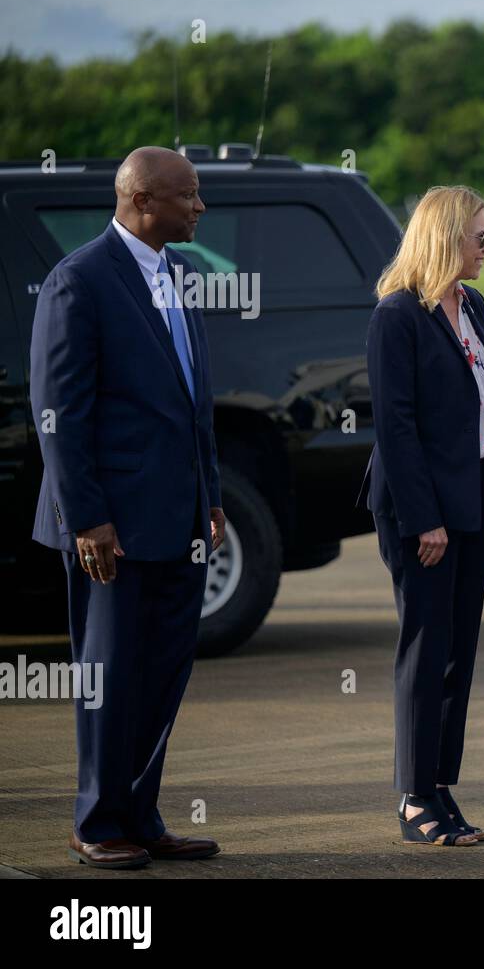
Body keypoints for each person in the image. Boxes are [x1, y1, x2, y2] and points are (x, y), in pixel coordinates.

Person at [30, 146, 223, 869]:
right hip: (111, 527)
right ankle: (97, 821)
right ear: (142, 200)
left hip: (179, 518)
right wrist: (87, 518)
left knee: (164, 673)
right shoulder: (79, 282)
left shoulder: (178, 274)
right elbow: (60, 413)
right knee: (110, 675)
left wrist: (210, 492)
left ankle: (141, 815)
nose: (200, 208)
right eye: (188, 195)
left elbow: (192, 398)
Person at [358, 185, 484, 847]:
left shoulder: (473, 305)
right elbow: (394, 427)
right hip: (421, 506)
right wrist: (424, 519)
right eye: (480, 237)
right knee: (426, 652)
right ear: (445, 237)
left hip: (474, 497)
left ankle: (441, 784)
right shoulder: (397, 316)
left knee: (459, 652)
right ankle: (413, 796)